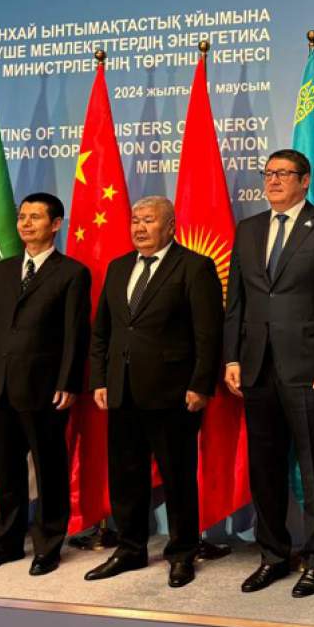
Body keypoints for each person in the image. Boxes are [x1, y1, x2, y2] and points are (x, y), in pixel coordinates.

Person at [224, 149, 314, 597]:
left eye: (284, 174)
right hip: (257, 366)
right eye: (269, 173)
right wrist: (231, 359)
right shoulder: (249, 229)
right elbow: (236, 303)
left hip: (311, 367)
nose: (274, 180)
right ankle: (273, 555)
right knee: (265, 468)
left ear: (305, 181)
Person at [86, 196, 223, 588]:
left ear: (170, 226)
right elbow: (103, 333)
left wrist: (200, 384)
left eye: (148, 221)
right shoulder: (118, 267)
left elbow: (208, 334)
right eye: (135, 220)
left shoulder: (195, 267)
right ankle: (130, 548)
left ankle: (182, 552)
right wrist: (100, 380)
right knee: (126, 475)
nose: (139, 227)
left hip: (173, 393)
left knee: (178, 476)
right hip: (122, 390)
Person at [0, 193, 90, 576]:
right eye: (22, 216)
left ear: (56, 224)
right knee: (7, 471)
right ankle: (5, 544)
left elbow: (75, 334)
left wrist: (68, 382)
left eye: (35, 217)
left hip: (45, 389)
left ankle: (48, 545)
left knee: (50, 470)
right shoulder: (1, 271)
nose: (26, 223)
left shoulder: (71, 272)